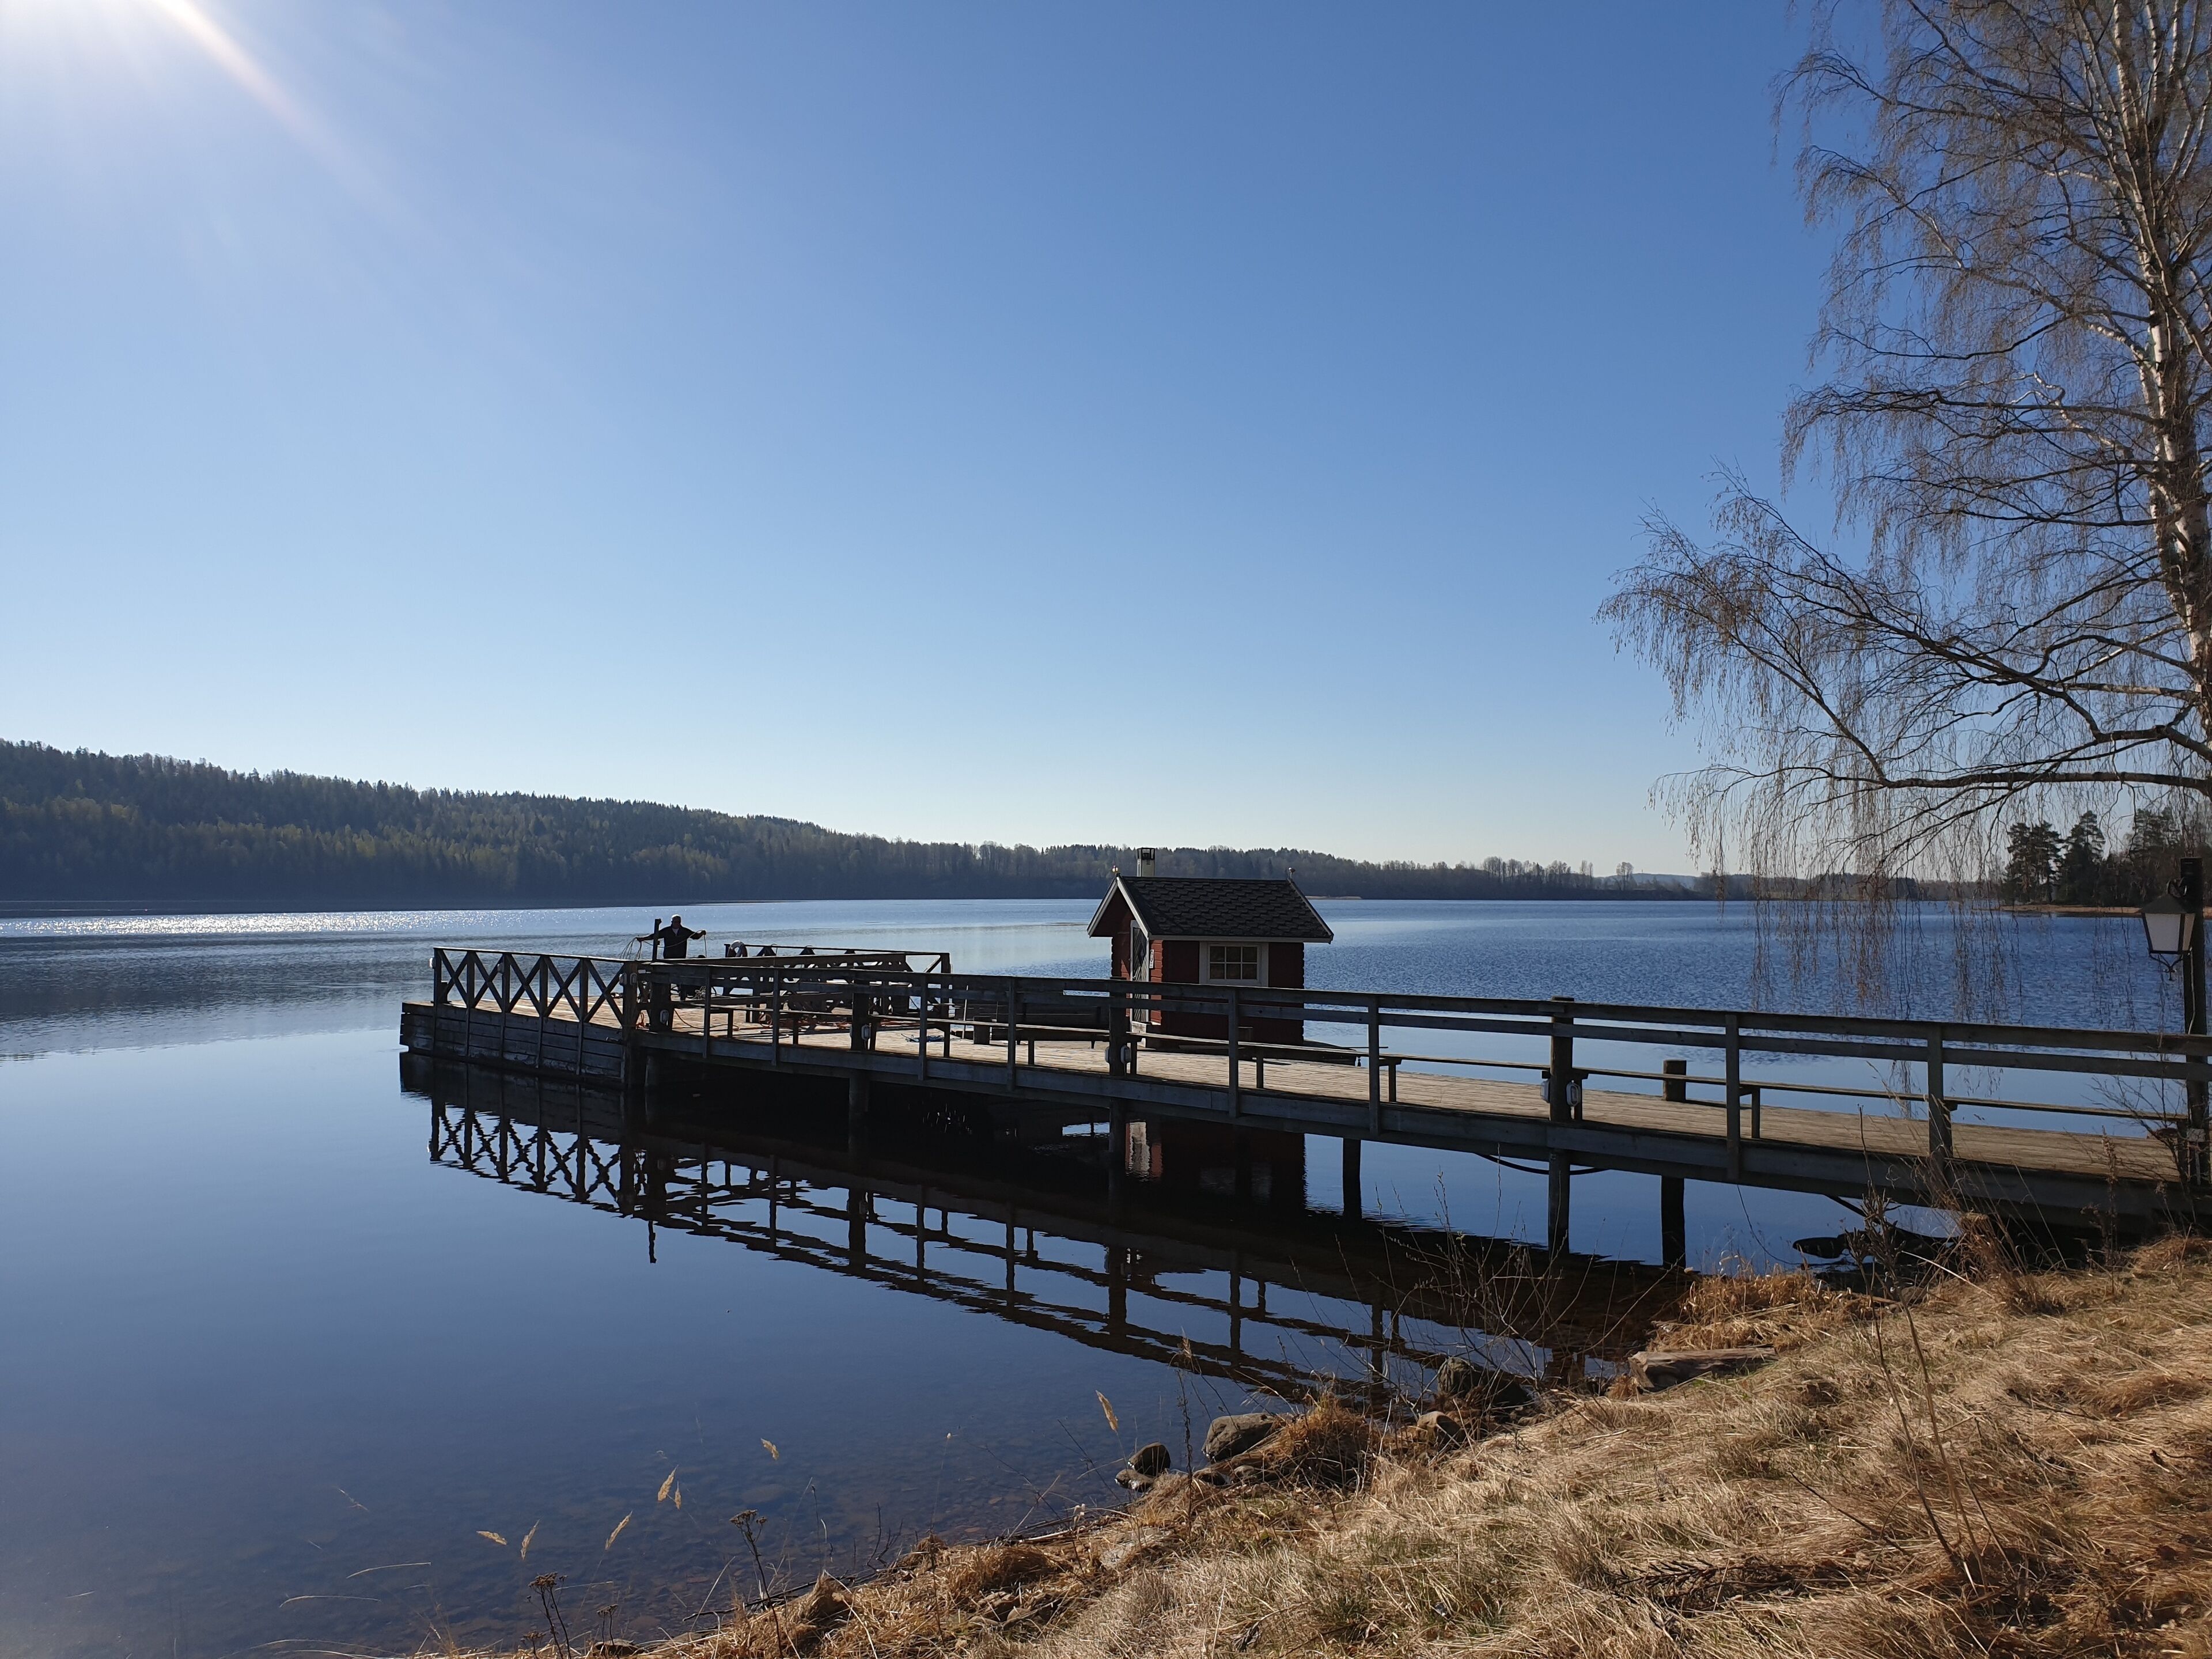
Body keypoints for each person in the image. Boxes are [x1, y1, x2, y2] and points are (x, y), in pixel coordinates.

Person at [638, 915, 707, 961]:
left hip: (681, 957)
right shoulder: (666, 931)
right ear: (672, 922)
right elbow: (654, 936)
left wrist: (702, 933)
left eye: (679, 922)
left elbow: (696, 937)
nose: (677, 924)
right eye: (675, 922)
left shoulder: (685, 931)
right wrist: (643, 939)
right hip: (668, 957)